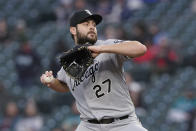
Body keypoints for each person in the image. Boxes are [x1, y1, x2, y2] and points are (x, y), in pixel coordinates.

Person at [40, 9, 148, 131]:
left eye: (93, 24)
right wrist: (51, 82)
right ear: (73, 30)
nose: (91, 27)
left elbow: (140, 48)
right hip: (89, 126)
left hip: (123, 123)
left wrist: (102, 49)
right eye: (86, 24)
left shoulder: (107, 46)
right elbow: (64, 86)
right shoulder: (69, 62)